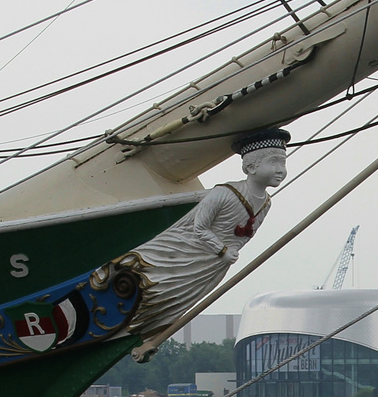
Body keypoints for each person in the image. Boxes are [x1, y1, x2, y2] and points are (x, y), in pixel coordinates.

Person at [98, 130, 287, 346]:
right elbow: (199, 227)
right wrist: (222, 251)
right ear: (251, 167)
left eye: (283, 163)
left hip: (212, 266)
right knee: (158, 287)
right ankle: (131, 321)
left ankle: (147, 328)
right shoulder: (224, 194)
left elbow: (243, 237)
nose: (281, 170)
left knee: (177, 300)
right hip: (186, 252)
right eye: (274, 163)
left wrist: (225, 254)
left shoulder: (266, 203)